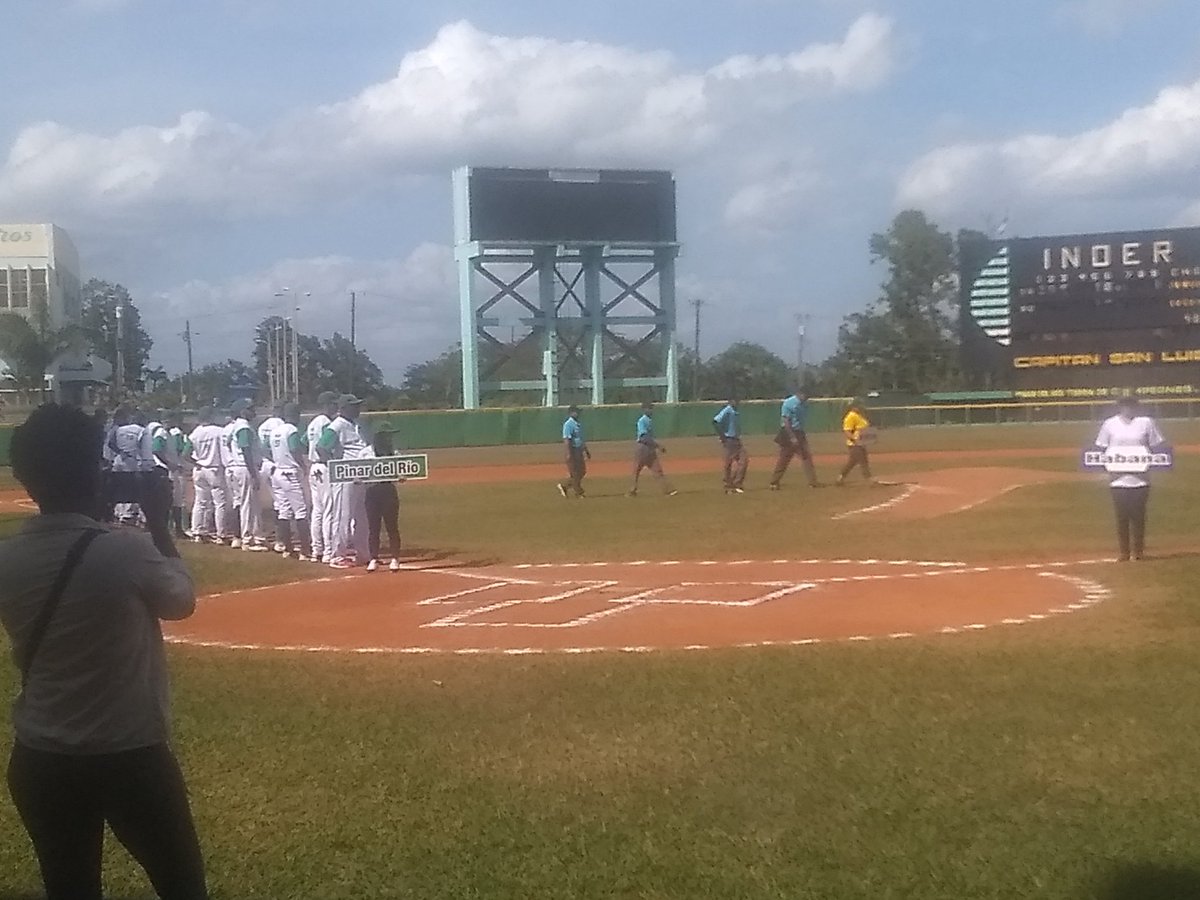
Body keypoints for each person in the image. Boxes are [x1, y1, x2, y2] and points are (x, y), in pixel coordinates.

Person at [0, 404, 208, 899]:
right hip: (130, 755)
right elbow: (181, 602)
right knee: (182, 885)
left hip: (41, 756)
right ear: (94, 470)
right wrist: (159, 524)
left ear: (25, 477)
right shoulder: (126, 550)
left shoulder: (6, 558)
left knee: (69, 886)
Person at [1093, 395, 1168, 561]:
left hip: (1140, 478)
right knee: (1121, 516)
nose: (1128, 409)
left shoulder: (1146, 422)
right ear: (1120, 407)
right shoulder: (1110, 424)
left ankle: (1139, 551)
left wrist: (1149, 462)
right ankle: (1124, 552)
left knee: (1139, 516)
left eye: (1131, 406)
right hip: (1117, 479)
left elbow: (1158, 447)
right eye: (1125, 406)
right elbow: (1101, 448)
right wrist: (1107, 467)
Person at [319, 394, 374, 568]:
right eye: (354, 406)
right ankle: (337, 555)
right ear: (343, 409)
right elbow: (321, 447)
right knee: (342, 516)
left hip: (360, 475)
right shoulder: (336, 426)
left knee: (362, 516)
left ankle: (363, 553)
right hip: (345, 476)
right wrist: (336, 467)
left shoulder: (356, 425)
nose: (357, 408)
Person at [269, 402, 313, 561]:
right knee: (301, 511)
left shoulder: (275, 431)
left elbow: (268, 449)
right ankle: (305, 551)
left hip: (277, 472)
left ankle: (287, 548)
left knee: (284, 511)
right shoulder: (292, 430)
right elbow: (295, 449)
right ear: (295, 415)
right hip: (290, 472)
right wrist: (303, 465)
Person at [224, 399, 266, 551]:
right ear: (243, 412)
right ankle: (248, 540)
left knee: (244, 503)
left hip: (236, 467)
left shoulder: (236, 426)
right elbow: (246, 449)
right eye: (250, 409)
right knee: (248, 505)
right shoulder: (243, 427)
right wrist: (254, 473)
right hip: (244, 467)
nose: (253, 411)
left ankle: (249, 537)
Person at [306, 391, 340, 565]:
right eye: (333, 404)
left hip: (314, 467)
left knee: (317, 511)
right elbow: (322, 448)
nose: (335, 407)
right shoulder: (327, 422)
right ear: (326, 405)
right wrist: (332, 461)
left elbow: (305, 442)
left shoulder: (312, 423)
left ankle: (316, 550)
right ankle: (328, 551)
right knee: (329, 511)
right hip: (325, 467)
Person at [364, 427, 403, 573]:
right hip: (372, 492)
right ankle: (373, 558)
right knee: (373, 528)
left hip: (388, 491)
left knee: (392, 526)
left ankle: (395, 558)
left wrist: (402, 476)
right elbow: (357, 470)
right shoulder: (366, 453)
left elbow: (402, 471)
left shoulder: (395, 453)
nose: (390, 439)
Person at [187, 408, 228, 545]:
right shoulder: (218, 431)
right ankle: (220, 534)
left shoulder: (195, 433)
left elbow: (185, 454)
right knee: (219, 503)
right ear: (212, 416)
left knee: (200, 502)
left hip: (199, 469)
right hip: (214, 469)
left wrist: (197, 462)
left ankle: (197, 532)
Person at [768, 387, 819, 490]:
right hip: (788, 432)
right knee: (784, 458)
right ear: (799, 394)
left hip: (799, 432)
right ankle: (774, 482)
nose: (806, 398)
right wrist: (792, 437)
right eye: (805, 395)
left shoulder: (804, 403)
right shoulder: (789, 403)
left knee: (806, 457)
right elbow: (786, 421)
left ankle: (813, 482)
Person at [628, 401, 676, 497]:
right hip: (643, 448)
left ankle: (667, 490)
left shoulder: (649, 421)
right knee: (636, 470)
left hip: (650, 448)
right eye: (648, 408)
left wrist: (655, 446)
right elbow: (643, 437)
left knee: (657, 470)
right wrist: (658, 446)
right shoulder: (642, 421)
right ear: (643, 410)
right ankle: (632, 490)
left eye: (651, 408)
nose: (651, 410)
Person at [712, 397, 748, 494]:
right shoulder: (728, 410)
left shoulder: (735, 412)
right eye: (734, 401)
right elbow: (715, 421)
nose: (736, 402)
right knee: (728, 463)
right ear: (730, 401)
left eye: (737, 401)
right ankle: (728, 484)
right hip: (729, 440)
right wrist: (722, 436)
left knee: (744, 461)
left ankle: (736, 483)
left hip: (736, 440)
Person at [836, 399, 875, 486]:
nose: (861, 407)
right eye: (859, 405)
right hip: (855, 444)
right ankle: (869, 479)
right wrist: (855, 440)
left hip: (861, 443)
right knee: (863, 461)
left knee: (852, 462)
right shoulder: (850, 416)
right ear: (854, 406)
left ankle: (840, 478)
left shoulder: (859, 415)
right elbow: (847, 431)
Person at [557, 405, 590, 498]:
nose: (578, 413)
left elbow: (581, 439)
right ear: (571, 413)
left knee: (582, 471)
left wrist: (586, 451)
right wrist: (568, 453)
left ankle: (564, 486)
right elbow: (567, 439)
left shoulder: (578, 424)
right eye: (576, 412)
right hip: (573, 450)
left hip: (579, 450)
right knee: (575, 472)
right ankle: (579, 492)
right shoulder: (568, 424)